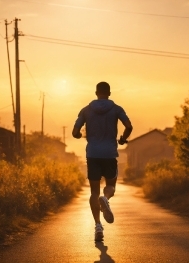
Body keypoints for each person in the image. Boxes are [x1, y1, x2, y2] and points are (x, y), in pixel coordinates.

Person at [72, 81, 133, 242]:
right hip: (110, 154)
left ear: (96, 92)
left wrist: (79, 136)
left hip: (92, 154)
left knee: (93, 192)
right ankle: (105, 198)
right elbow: (129, 126)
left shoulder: (86, 110)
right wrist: (122, 139)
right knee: (111, 186)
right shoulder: (117, 109)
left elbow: (75, 132)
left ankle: (98, 225)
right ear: (109, 93)